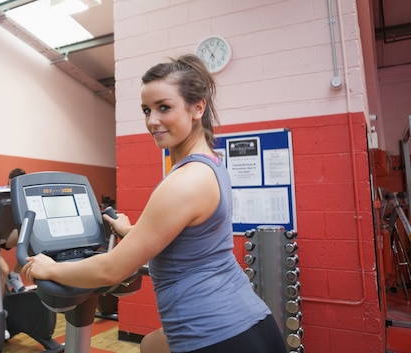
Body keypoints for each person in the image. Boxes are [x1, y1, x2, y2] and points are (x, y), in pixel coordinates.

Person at [21, 54, 287, 353]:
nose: (152, 121)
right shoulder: (211, 163)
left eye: (164, 108)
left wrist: (50, 268)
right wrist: (130, 230)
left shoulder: (184, 182)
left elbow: (111, 271)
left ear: (198, 107)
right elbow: (187, 243)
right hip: (250, 322)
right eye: (147, 110)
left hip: (217, 336)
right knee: (150, 345)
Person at [3, 167, 26, 293]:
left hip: (11, 232)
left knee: (30, 238)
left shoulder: (22, 196)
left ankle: (14, 275)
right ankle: (13, 276)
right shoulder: (0, 193)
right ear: (10, 181)